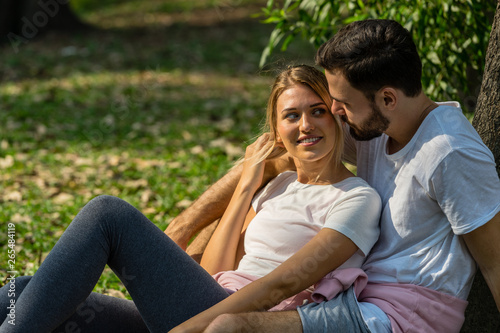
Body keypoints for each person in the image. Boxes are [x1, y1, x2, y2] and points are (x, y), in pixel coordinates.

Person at [165, 19, 500, 332]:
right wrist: (182, 228)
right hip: (354, 299)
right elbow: (273, 160)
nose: (335, 112)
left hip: (402, 315)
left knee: (230, 328)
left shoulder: (451, 153)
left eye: (342, 104)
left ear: (387, 98)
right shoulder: (379, 126)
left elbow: (495, 263)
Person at [0, 65, 382, 333]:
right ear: (276, 130)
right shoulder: (276, 187)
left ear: (336, 117)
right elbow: (215, 270)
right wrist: (247, 186)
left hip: (239, 323)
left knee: (108, 214)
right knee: (15, 294)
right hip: (202, 305)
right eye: (291, 116)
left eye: (318, 112)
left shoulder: (355, 198)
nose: (305, 125)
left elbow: (278, 289)